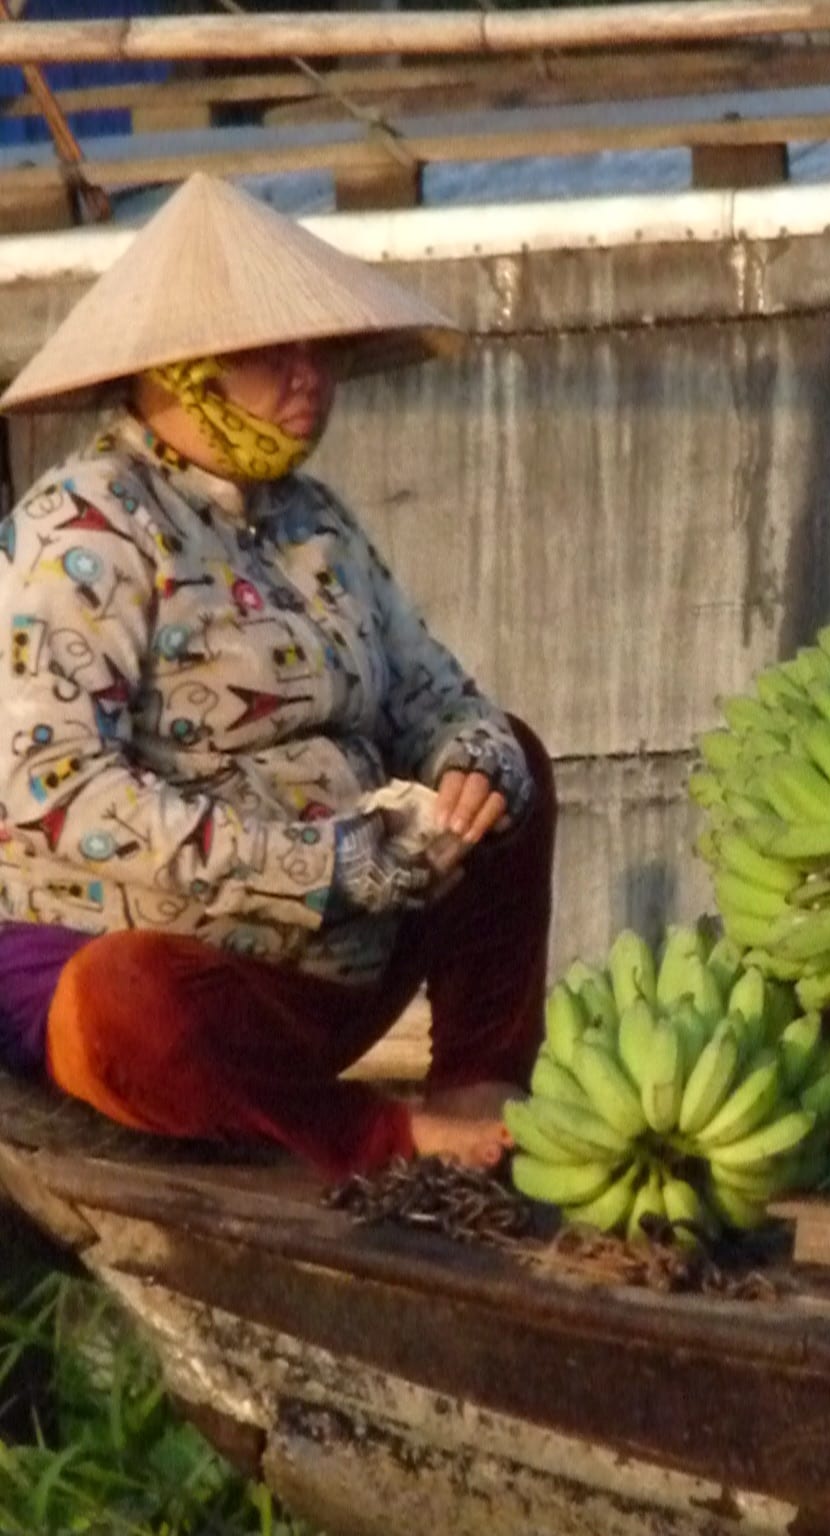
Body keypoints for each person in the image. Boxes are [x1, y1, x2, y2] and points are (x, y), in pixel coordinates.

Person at [0, 173, 553, 1179]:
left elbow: (432, 694)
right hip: (181, 973)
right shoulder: (80, 526)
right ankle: (372, 1137)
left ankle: (477, 1082)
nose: (309, 377)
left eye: (320, 349)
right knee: (122, 1006)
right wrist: (306, 865)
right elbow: (55, 789)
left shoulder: (316, 523)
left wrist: (468, 764)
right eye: (272, 352)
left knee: (509, 759)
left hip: (351, 955)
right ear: (184, 370)